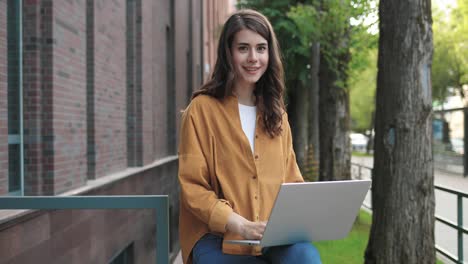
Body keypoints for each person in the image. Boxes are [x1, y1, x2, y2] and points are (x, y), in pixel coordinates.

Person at [178, 9, 322, 264]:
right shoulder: (201, 110)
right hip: (216, 234)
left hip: (270, 233)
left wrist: (305, 214)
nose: (253, 58)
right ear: (228, 53)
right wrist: (239, 225)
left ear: (270, 53)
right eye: (243, 48)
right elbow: (192, 187)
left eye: (261, 48)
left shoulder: (277, 113)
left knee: (307, 257)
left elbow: (291, 179)